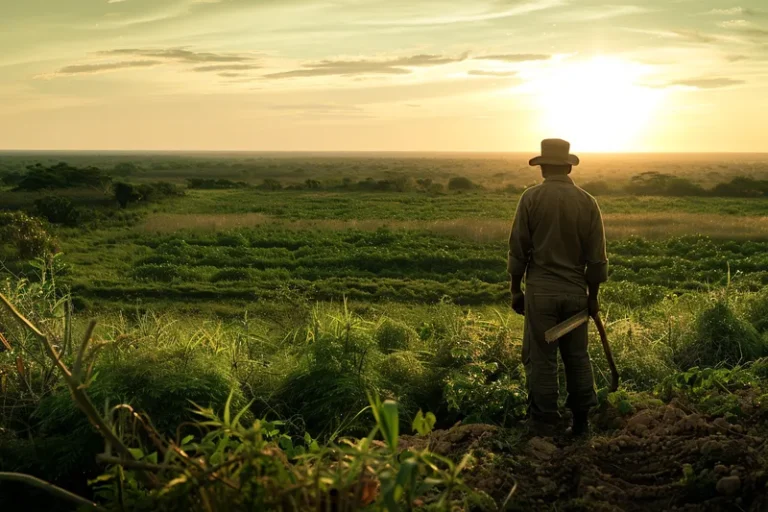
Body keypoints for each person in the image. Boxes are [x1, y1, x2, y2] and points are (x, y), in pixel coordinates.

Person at [508, 138, 608, 437]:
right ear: (567, 167)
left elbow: (518, 249)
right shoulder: (588, 202)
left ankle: (544, 423)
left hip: (541, 293)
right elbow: (597, 259)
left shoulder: (530, 199)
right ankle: (581, 422)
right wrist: (593, 298)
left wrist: (515, 289)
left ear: (542, 170)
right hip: (576, 294)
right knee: (577, 356)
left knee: (541, 359)